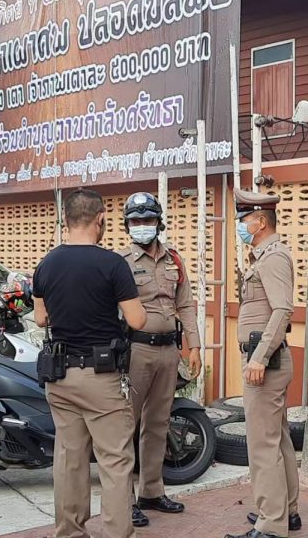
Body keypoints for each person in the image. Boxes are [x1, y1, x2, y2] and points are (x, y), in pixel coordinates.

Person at [32, 188, 148, 538]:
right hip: (101, 378)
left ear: (65, 220)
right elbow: (137, 319)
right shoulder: (113, 264)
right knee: (114, 460)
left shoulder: (46, 264)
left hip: (60, 377)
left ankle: (69, 531)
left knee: (69, 460)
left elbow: (41, 318)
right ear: (101, 219)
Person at [118, 192, 202, 527]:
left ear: (158, 222)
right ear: (128, 225)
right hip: (136, 352)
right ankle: (124, 500)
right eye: (136, 221)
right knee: (126, 426)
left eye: (148, 219)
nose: (142, 225)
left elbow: (186, 305)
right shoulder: (121, 262)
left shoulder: (174, 259)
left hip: (169, 351)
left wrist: (194, 346)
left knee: (158, 423)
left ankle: (151, 491)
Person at [225, 189, 301, 538]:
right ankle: (286, 512)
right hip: (266, 360)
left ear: (261, 221)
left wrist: (258, 357)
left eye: (244, 220)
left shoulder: (273, 257)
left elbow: (283, 309)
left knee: (262, 445)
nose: (241, 225)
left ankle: (271, 524)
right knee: (278, 440)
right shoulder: (263, 256)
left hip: (265, 362)